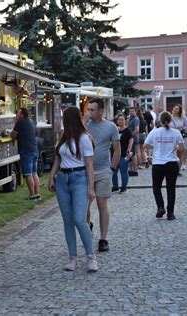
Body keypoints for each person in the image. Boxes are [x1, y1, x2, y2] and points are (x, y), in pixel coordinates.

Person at [47, 106, 98, 272]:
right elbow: (57, 158)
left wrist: (91, 187)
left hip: (79, 179)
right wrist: (51, 177)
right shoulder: (64, 137)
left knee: (79, 218)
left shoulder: (84, 138)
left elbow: (89, 164)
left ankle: (91, 256)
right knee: (67, 220)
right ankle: (73, 258)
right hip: (63, 179)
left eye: (64, 118)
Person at [86, 98, 120, 252]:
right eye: (89, 109)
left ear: (101, 110)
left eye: (93, 109)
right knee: (85, 204)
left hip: (103, 170)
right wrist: (83, 122)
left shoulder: (111, 127)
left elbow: (117, 149)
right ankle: (88, 224)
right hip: (86, 171)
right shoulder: (84, 125)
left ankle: (103, 239)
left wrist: (112, 168)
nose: (90, 112)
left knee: (101, 203)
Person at [144, 111, 185, 220]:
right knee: (171, 188)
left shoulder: (155, 132)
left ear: (160, 121)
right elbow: (182, 148)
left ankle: (160, 207)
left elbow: (146, 145)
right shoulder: (176, 132)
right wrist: (176, 152)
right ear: (171, 120)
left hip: (158, 163)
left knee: (156, 187)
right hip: (171, 163)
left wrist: (156, 147)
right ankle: (170, 213)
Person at [11, 108, 40, 201]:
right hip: (34, 149)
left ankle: (32, 195)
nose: (17, 115)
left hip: (26, 151)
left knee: (28, 174)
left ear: (22, 114)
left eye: (18, 113)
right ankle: (37, 194)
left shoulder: (20, 123)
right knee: (34, 173)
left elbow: (13, 135)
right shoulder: (31, 122)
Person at [112, 113, 133, 193]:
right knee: (113, 171)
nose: (120, 121)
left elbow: (131, 140)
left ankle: (124, 186)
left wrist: (129, 150)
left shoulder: (127, 130)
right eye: (119, 120)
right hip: (114, 154)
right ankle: (115, 186)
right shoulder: (115, 130)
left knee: (123, 171)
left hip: (124, 153)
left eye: (122, 120)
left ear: (125, 121)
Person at [170, 104, 187, 172]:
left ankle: (180, 166)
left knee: (181, 152)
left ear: (180, 110)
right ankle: (173, 167)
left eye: (177, 109)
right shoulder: (170, 117)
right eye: (174, 108)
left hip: (181, 137)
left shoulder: (183, 118)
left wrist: (182, 128)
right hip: (172, 137)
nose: (175, 109)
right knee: (173, 152)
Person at [127, 106, 140, 176]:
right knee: (131, 154)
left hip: (133, 139)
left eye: (133, 111)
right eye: (130, 111)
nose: (131, 112)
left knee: (133, 154)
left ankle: (135, 170)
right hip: (131, 139)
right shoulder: (130, 118)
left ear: (135, 111)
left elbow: (137, 130)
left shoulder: (135, 119)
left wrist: (129, 135)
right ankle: (131, 169)